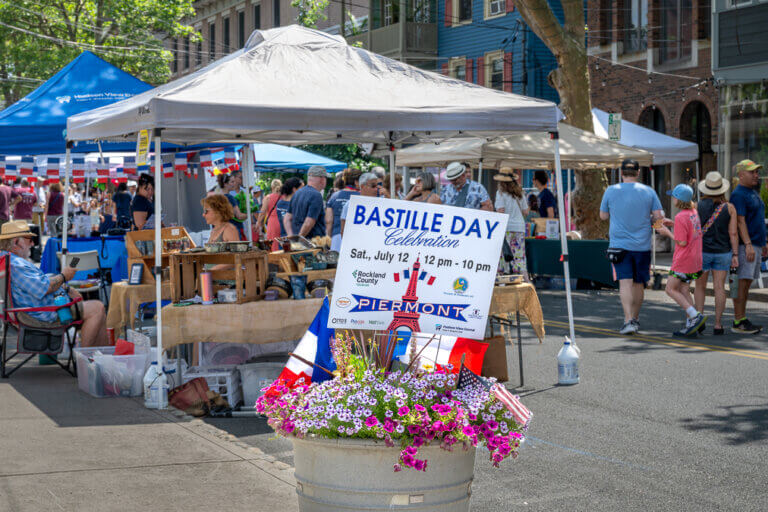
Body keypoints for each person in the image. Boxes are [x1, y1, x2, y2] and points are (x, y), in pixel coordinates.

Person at [0, 221, 107, 347]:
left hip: (38, 310)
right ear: (16, 242)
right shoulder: (16, 264)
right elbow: (44, 287)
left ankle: (99, 354)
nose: (33, 244)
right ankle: (86, 356)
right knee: (97, 308)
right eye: (29, 240)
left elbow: (40, 282)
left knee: (94, 308)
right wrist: (64, 276)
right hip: (44, 314)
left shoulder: (8, 260)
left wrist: (65, 287)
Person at [599, 159, 664, 335]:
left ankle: (627, 320)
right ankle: (635, 318)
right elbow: (658, 217)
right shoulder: (648, 191)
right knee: (639, 283)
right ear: (638, 172)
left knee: (625, 282)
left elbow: (603, 216)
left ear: (621, 173)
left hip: (619, 245)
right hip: (642, 245)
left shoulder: (611, 190)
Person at [693, 172, 738, 336]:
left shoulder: (697, 206)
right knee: (719, 287)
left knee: (700, 287)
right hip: (723, 252)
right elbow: (733, 233)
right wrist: (735, 255)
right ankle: (718, 324)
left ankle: (699, 319)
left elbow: (694, 231)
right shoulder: (730, 208)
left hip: (702, 252)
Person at [656, 184, 705, 336]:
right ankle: (691, 325)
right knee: (684, 289)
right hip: (695, 259)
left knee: (670, 289)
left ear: (678, 199)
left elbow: (682, 242)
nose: (672, 199)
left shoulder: (680, 216)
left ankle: (695, 316)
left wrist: (667, 232)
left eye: (673, 197)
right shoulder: (693, 212)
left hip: (683, 260)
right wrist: (673, 224)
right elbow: (689, 229)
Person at [729, 159, 767, 334]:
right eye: (752, 172)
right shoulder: (739, 194)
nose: (756, 175)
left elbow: (757, 219)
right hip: (746, 245)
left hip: (756, 244)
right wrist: (749, 244)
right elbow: (740, 221)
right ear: (741, 174)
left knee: (747, 283)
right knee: (742, 283)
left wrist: (763, 242)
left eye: (757, 172)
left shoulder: (752, 192)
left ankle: (742, 318)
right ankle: (738, 321)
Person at [494, 168, 529, 280]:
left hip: (506, 228)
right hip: (519, 228)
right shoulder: (520, 193)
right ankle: (527, 281)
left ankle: (503, 282)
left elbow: (500, 211)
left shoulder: (500, 193)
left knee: (504, 256)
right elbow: (526, 212)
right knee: (519, 257)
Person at [285, 166, 327, 238]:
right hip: (313, 241)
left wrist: (291, 236)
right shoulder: (316, 195)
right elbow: (309, 222)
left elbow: (287, 218)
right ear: (322, 179)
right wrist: (299, 239)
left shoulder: (297, 193)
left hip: (298, 240)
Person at [326, 168, 361, 252]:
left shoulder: (334, 196)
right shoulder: (363, 197)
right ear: (357, 181)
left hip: (337, 237)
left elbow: (329, 221)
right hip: (357, 238)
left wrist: (328, 240)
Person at [275, 178, 303, 245]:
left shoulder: (279, 203)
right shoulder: (296, 205)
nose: (303, 191)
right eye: (301, 188)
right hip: (295, 240)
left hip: (284, 239)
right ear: (294, 189)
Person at [256, 179, 283, 244]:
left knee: (273, 243)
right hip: (283, 221)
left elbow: (262, 213)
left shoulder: (268, 198)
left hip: (272, 223)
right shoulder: (285, 197)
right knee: (282, 243)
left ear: (271, 187)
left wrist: (258, 222)